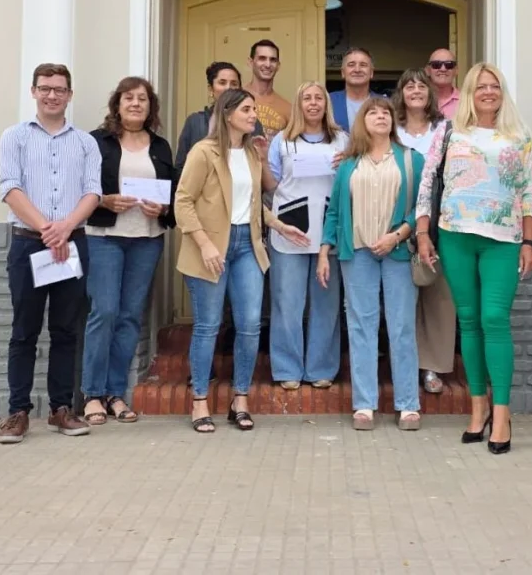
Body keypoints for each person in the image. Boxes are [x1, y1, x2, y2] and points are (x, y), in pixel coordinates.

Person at [416, 63, 532, 455]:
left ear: (502, 93)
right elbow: (427, 181)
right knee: (468, 322)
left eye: (495, 86)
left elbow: (530, 191)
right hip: (456, 235)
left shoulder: (518, 137)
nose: (488, 92)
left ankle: (502, 415)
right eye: (481, 86)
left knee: (494, 318)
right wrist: (423, 232)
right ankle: (478, 409)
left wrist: (530, 242)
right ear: (469, 92)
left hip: (503, 239)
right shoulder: (449, 131)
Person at [174, 88, 309, 433]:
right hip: (211, 246)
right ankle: (201, 401)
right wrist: (204, 244)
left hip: (246, 245)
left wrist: (279, 225)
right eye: (248, 109)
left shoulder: (251, 152)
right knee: (207, 326)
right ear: (229, 112)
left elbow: (251, 205)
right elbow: (183, 202)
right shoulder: (204, 152)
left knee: (250, 324)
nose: (255, 115)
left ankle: (240, 398)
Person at [0, 63, 101, 444]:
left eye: (59, 89)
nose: (52, 95)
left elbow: (93, 191)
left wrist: (65, 228)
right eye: (45, 88)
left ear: (70, 94)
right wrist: (47, 228)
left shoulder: (86, 143)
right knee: (24, 331)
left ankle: (61, 409)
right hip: (29, 243)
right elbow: (10, 188)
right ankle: (18, 412)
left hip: (71, 245)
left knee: (65, 330)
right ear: (34, 91)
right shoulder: (15, 137)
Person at [317, 98, 422, 432]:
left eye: (386, 112)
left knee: (401, 326)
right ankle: (364, 404)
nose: (380, 116)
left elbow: (422, 207)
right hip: (357, 252)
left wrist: (397, 236)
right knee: (361, 327)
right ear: (362, 121)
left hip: (398, 251)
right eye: (373, 112)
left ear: (394, 120)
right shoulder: (348, 164)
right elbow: (334, 211)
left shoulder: (411, 160)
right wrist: (324, 250)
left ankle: (408, 404)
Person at [80, 76, 175, 426]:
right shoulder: (95, 142)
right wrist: (103, 200)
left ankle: (115, 393)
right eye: (129, 98)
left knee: (130, 316)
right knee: (103, 312)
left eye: (143, 99)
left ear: (151, 108)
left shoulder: (160, 146)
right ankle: (92, 394)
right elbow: (78, 188)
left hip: (146, 239)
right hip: (104, 236)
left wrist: (162, 209)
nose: (136, 104)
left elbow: (173, 194)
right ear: (117, 104)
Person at [265, 82, 348, 390]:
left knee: (326, 302)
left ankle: (322, 367)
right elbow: (271, 184)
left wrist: (348, 163)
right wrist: (261, 159)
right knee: (287, 302)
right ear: (298, 105)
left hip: (329, 230)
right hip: (291, 229)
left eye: (318, 98)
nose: (313, 103)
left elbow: (354, 182)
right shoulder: (281, 140)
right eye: (306, 98)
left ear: (326, 104)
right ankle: (287, 368)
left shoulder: (343, 140)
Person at [392, 69, 456, 395]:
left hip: (438, 220)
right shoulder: (391, 129)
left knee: (438, 296)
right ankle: (402, 364)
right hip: (394, 220)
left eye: (421, 85)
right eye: (409, 86)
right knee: (402, 298)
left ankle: (432, 367)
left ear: (431, 93)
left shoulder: (445, 129)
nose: (415, 90)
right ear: (400, 93)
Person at [175, 61, 262, 176]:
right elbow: (181, 168)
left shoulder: (252, 123)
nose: (228, 88)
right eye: (222, 83)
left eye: (234, 84)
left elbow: (260, 168)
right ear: (211, 89)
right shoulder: (195, 122)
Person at [328, 47, 386, 130]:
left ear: (371, 73)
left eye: (363, 65)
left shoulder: (385, 103)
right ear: (343, 72)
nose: (357, 70)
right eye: (351, 65)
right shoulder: (329, 101)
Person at [246, 39, 293, 139]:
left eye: (273, 60)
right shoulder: (235, 97)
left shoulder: (288, 108)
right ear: (251, 62)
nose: (267, 65)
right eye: (262, 58)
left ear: (278, 66)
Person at [425, 48, 460, 120]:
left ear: (456, 70)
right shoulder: (418, 100)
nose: (443, 69)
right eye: (436, 65)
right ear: (427, 70)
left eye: (449, 65)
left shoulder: (467, 102)